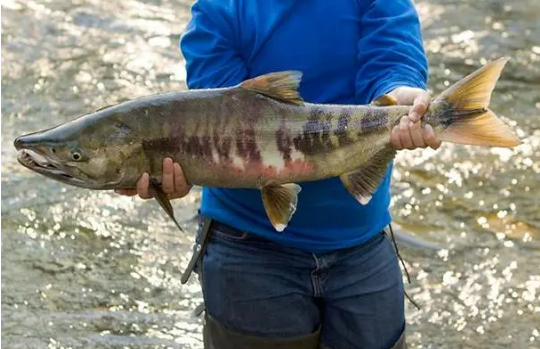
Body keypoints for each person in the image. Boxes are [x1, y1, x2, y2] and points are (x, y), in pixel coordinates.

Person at [117, 0, 441, 348]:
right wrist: (171, 173)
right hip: (247, 249)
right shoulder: (219, 9)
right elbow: (214, 121)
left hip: (363, 246)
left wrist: (403, 100)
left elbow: (393, 61)